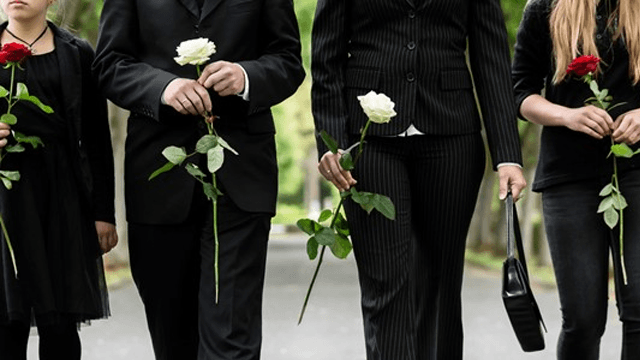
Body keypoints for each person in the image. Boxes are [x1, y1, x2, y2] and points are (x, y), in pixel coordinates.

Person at [311, 0, 526, 359]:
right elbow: (325, 58)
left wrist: (507, 154)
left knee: (441, 283)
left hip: (452, 135)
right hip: (367, 142)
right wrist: (331, 141)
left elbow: (491, 56)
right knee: (385, 283)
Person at [93, 1, 304, 359]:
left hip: (243, 178)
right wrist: (163, 88)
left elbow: (288, 60)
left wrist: (246, 76)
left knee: (232, 339)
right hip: (157, 180)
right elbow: (110, 64)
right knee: (173, 338)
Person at [512, 0, 640, 358]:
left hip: (638, 172)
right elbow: (520, 91)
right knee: (583, 320)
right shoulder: (543, 8)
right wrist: (566, 116)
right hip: (568, 178)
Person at [0, 0, 118, 359]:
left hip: (62, 198)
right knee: (6, 323)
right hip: (4, 202)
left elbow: (98, 139)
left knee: (61, 326)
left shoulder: (78, 53)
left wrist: (103, 213)